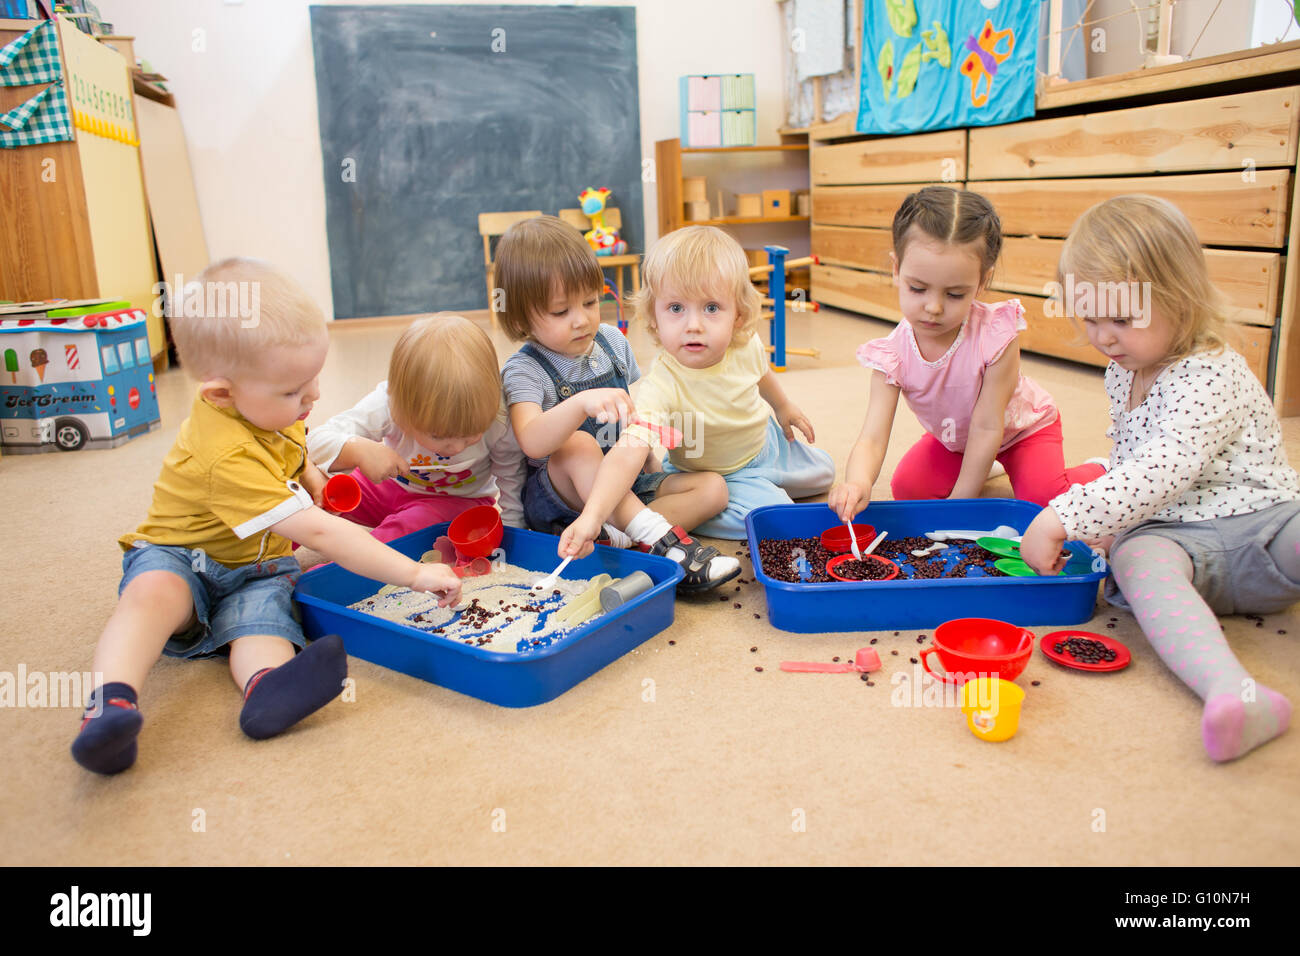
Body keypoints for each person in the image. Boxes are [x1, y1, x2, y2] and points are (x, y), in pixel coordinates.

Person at [71, 259, 461, 775]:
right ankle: (110, 703)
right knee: (152, 597)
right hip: (183, 557)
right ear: (221, 395)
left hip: (258, 567)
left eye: (313, 379)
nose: (314, 397)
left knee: (264, 624)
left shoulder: (273, 410)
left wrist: (314, 478)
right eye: (295, 391)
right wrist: (412, 573)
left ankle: (266, 687)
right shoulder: (225, 454)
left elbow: (293, 448)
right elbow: (318, 531)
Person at [1020, 195, 1297, 762]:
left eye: (1122, 319)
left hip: (1266, 528)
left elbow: (1165, 464)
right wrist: (1106, 518)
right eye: (1090, 317)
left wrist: (1066, 515)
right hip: (1179, 543)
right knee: (1136, 559)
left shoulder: (1209, 371)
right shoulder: (1125, 372)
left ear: (1183, 300)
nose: (1104, 337)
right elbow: (1134, 459)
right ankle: (1233, 691)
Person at [828, 186, 1105, 522]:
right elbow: (872, 437)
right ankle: (981, 468)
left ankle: (1101, 470)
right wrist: (857, 482)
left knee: (1042, 504)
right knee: (909, 490)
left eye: (955, 294)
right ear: (896, 268)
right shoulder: (891, 354)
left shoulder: (996, 335)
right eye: (917, 288)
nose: (933, 307)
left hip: (1021, 429)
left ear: (982, 282)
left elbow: (989, 426)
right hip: (955, 440)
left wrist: (962, 502)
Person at [557, 224, 834, 557]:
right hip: (713, 473)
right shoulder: (662, 384)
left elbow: (760, 375)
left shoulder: (745, 344)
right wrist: (592, 516)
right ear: (654, 317)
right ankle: (650, 524)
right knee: (781, 518)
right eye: (676, 308)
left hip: (766, 444)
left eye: (712, 308)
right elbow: (628, 450)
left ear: (738, 315)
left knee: (826, 474)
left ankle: (766, 481)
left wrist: (783, 406)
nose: (693, 325)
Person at [497, 216, 739, 591]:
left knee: (713, 489)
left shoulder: (612, 341)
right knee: (578, 444)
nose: (581, 320)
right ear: (520, 317)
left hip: (621, 488)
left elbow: (631, 419)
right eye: (561, 312)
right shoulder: (524, 369)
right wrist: (579, 404)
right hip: (562, 501)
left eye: (591, 302)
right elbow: (531, 439)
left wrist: (651, 463)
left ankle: (619, 540)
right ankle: (662, 540)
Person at [307, 313, 525, 540]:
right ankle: (272, 554)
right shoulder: (389, 403)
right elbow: (312, 443)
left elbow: (512, 477)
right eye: (438, 436)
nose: (457, 447)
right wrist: (359, 449)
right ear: (402, 409)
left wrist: (512, 534)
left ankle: (346, 568)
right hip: (385, 488)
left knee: (406, 530)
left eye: (472, 435)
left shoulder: (498, 417)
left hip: (457, 503)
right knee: (303, 490)